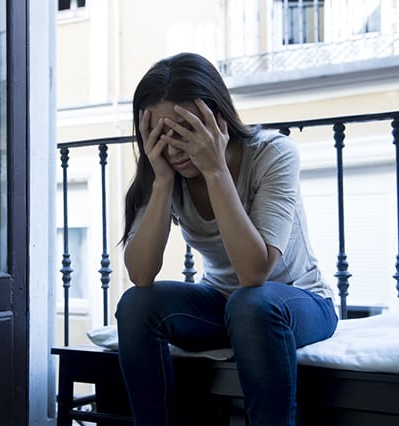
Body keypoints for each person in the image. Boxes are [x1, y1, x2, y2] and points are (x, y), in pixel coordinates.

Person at [115, 52, 338, 426]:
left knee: (251, 303)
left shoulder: (271, 154)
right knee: (136, 304)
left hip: (297, 301)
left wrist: (216, 171)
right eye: (159, 135)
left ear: (217, 118)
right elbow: (140, 273)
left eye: (183, 132)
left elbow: (254, 274)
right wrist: (164, 183)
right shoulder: (164, 171)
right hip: (225, 305)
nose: (171, 149)